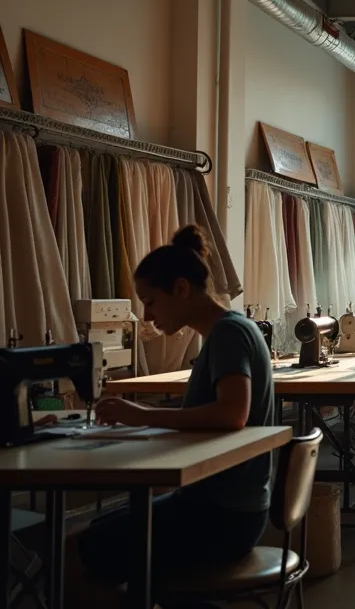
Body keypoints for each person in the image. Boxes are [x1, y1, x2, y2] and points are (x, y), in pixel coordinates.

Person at [71, 225, 275, 605]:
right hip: (230, 506)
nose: (146, 316)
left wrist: (145, 416)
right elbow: (211, 411)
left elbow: (232, 414)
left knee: (86, 548)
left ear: (181, 289)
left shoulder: (229, 334)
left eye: (150, 301)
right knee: (99, 528)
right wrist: (144, 414)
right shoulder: (228, 332)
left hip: (225, 516)